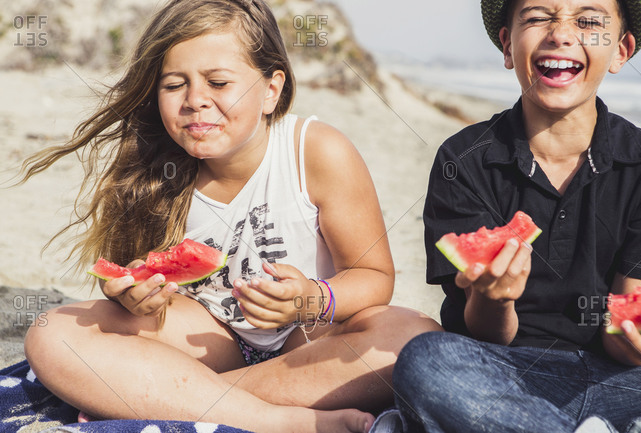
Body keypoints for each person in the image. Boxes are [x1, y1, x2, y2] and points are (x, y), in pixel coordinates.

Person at [20, 1, 440, 432]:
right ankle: (279, 421)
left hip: (310, 340)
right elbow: (137, 286)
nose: (195, 101)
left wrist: (310, 299)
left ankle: (173, 398)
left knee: (415, 338)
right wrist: (134, 295)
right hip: (209, 337)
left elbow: (372, 277)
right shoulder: (152, 171)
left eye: (218, 82)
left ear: (271, 90)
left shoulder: (314, 152)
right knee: (52, 331)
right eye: (173, 85)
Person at [389, 0, 641, 432]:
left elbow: (622, 329)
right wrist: (495, 298)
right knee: (426, 361)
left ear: (621, 50)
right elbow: (486, 335)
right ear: (508, 46)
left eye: (588, 21)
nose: (561, 33)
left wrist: (638, 336)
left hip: (618, 380)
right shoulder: (463, 161)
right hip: (501, 371)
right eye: (538, 17)